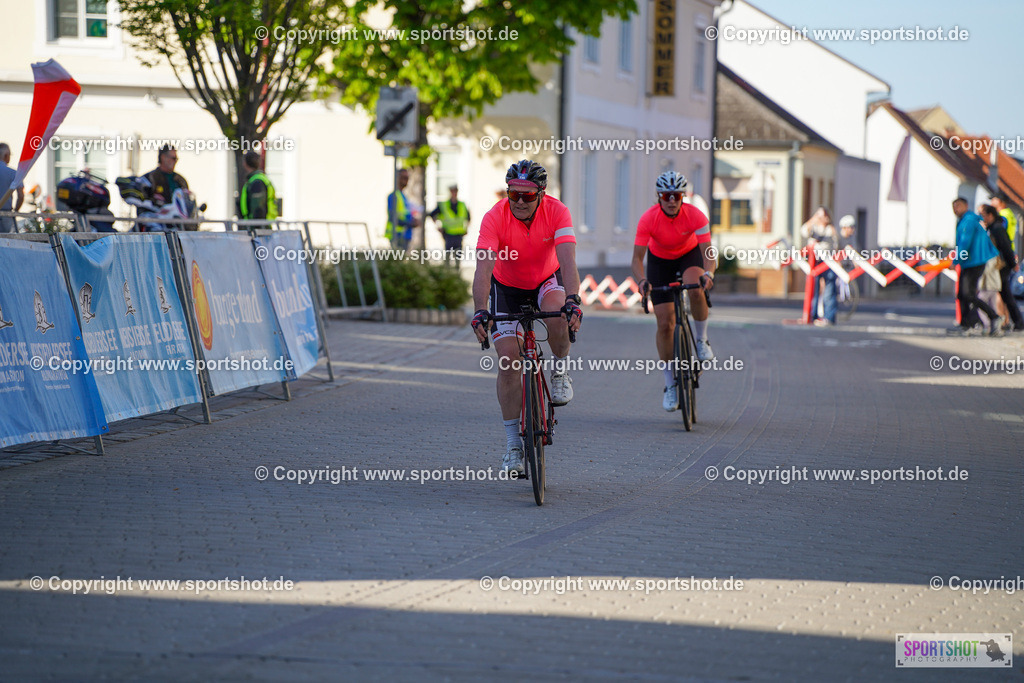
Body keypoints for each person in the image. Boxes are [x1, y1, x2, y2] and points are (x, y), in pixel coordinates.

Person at [470, 160, 582, 475]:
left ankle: (560, 372)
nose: (519, 202)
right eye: (513, 194)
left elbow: (568, 260)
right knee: (508, 362)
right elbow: (483, 268)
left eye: (528, 196)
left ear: (542, 194)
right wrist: (480, 309)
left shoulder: (558, 212)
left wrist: (573, 300)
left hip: (546, 280)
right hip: (507, 288)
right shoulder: (494, 217)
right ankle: (512, 447)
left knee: (559, 315)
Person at [631, 171, 716, 412]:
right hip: (660, 263)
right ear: (659, 196)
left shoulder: (695, 215)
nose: (672, 200)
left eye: (677, 195)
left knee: (696, 288)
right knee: (665, 323)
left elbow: (708, 253)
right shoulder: (649, 219)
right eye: (667, 195)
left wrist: (708, 274)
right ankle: (670, 384)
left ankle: (701, 340)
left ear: (683, 197)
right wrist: (642, 281)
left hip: (689, 256)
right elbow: (637, 259)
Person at [951, 197, 1002, 335]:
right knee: (962, 294)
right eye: (954, 206)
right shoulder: (966, 220)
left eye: (959, 206)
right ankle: (967, 324)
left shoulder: (968, 221)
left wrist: (955, 261)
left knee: (968, 293)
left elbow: (964, 243)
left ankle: (991, 318)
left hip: (975, 261)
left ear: (966, 206)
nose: (956, 209)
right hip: (969, 261)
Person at [979, 204, 1023, 331]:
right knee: (1002, 293)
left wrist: (1013, 264)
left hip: (1001, 265)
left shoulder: (997, 229)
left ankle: (1014, 321)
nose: (983, 218)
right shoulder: (994, 227)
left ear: (990, 215)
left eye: (984, 215)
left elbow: (1005, 247)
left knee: (1003, 293)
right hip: (1001, 264)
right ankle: (1011, 321)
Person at [801, 207, 839, 326]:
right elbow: (803, 231)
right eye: (819, 215)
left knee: (829, 290)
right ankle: (812, 315)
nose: (821, 218)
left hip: (827, 260)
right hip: (814, 260)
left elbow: (836, 243)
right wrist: (813, 220)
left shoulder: (830, 229)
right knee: (814, 289)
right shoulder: (813, 227)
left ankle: (829, 317)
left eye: (823, 215)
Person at [430, 184, 469, 264]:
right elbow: (432, 215)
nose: (454, 193)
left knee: (458, 258)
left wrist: (466, 228)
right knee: (447, 257)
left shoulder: (462, 205)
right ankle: (447, 273)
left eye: (455, 191)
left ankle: (456, 273)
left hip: (459, 234)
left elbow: (468, 218)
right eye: (452, 191)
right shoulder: (444, 205)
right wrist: (438, 226)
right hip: (448, 234)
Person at [239, 151, 277, 220]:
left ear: (245, 163)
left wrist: (255, 226)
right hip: (262, 225)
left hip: (259, 226)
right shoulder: (258, 178)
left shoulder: (256, 181)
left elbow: (258, 208)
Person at [385, 168, 417, 250]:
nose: (406, 180)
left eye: (407, 178)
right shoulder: (394, 196)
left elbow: (405, 213)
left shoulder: (403, 196)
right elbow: (393, 217)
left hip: (405, 234)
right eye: (403, 178)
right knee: (398, 259)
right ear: (397, 178)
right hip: (397, 234)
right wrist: (410, 224)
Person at [0, 142, 25, 233]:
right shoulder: (13, 173)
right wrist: (15, 211)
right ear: (6, 155)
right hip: (6, 215)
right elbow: (21, 196)